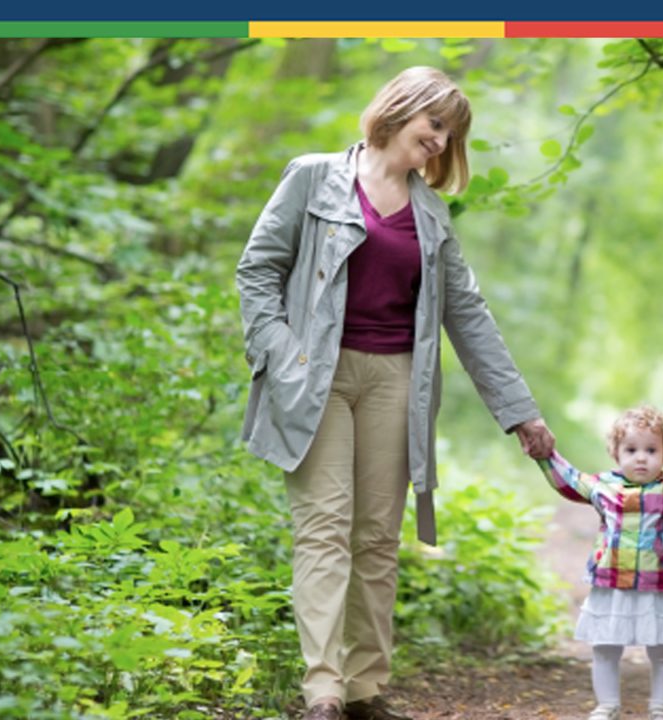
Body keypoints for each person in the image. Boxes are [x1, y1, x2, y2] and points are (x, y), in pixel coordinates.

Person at [236, 66, 555, 720]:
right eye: (434, 123)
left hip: (395, 383)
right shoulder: (311, 176)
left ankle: (364, 689)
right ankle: (323, 690)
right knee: (323, 527)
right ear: (400, 109)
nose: (440, 140)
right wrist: (281, 355)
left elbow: (468, 315)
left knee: (378, 537)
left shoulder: (432, 214)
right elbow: (258, 271)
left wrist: (519, 412)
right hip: (314, 376)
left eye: (451, 133)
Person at [537, 406, 663, 720]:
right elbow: (568, 480)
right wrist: (545, 455)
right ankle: (607, 705)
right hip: (611, 583)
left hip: (656, 584)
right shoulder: (603, 487)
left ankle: (660, 709)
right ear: (616, 454)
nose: (641, 457)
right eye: (632, 450)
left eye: (651, 450)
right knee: (605, 647)